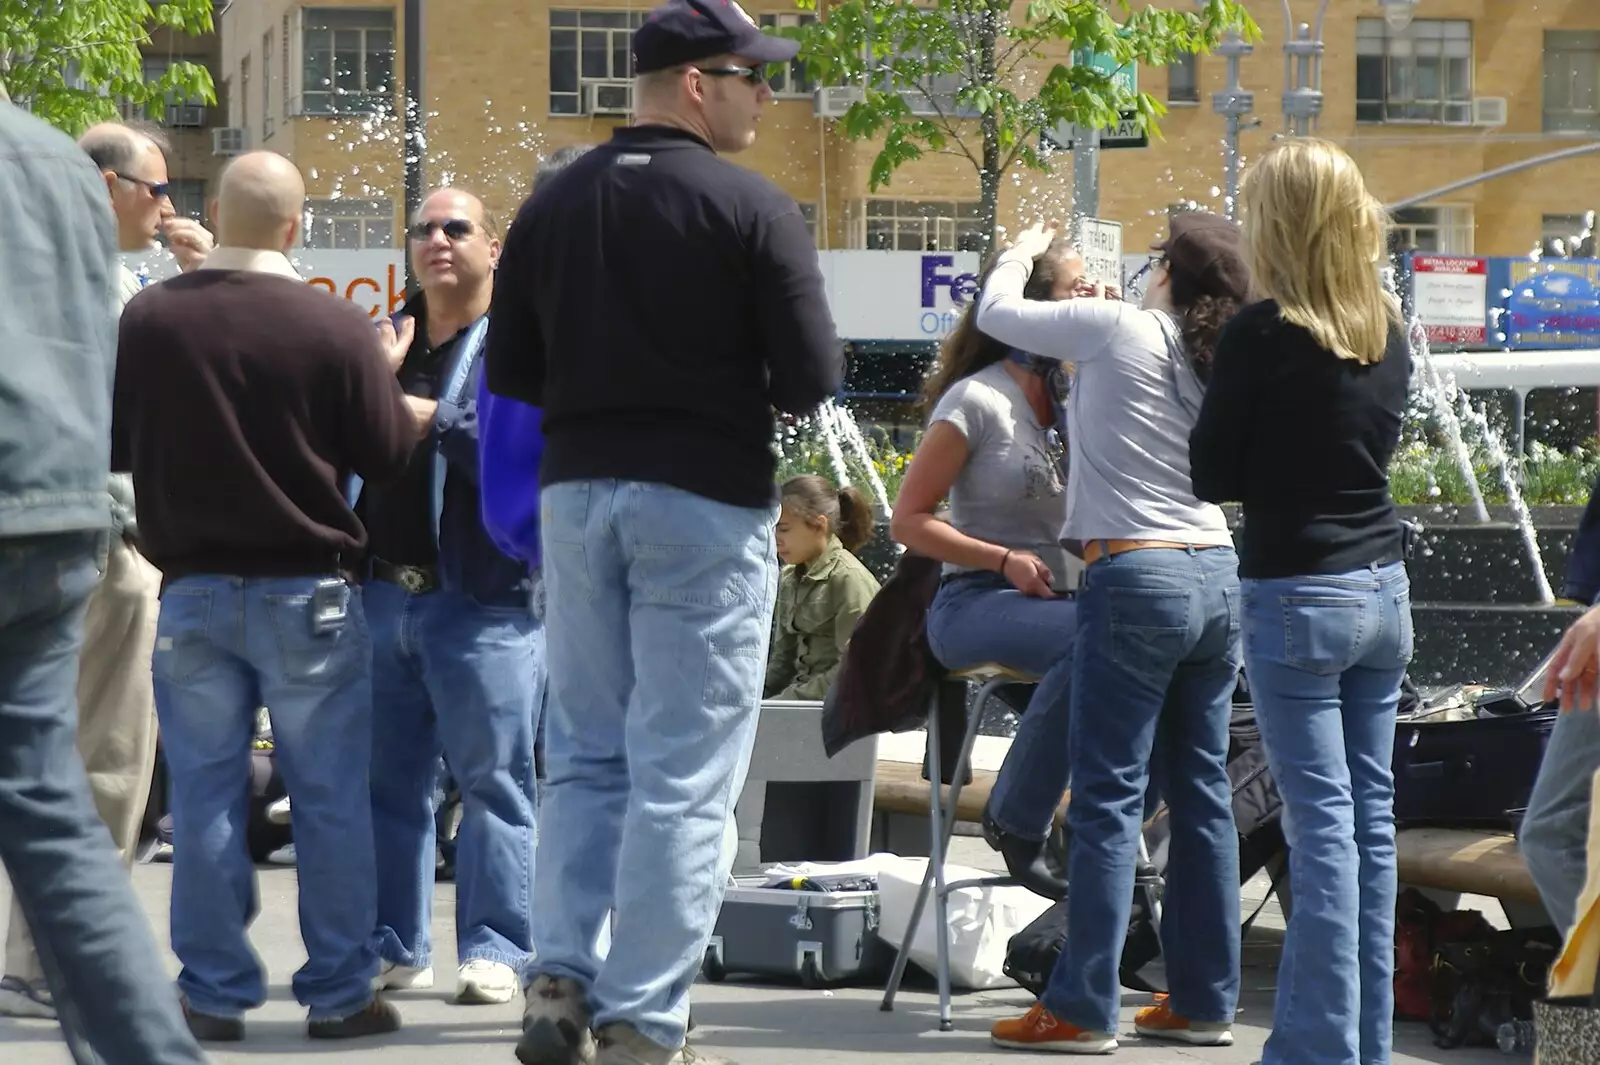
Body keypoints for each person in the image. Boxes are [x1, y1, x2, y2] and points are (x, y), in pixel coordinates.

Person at [484, 1, 843, 1060]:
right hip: (702, 497)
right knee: (685, 774)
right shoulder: (752, 206)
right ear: (698, 82)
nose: (768, 96)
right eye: (754, 77)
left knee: (585, 755)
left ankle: (557, 983)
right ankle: (644, 1016)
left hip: (578, 497)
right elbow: (815, 377)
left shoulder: (552, 203)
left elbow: (511, 373)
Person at [113, 150, 417, 1042]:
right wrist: (384, 374)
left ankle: (209, 993)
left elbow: (117, 442)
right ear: (295, 227)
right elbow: (391, 457)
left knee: (202, 798)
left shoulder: (150, 319)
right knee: (328, 797)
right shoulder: (333, 324)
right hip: (310, 593)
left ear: (217, 212)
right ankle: (340, 991)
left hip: (194, 591)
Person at [977, 212, 1249, 1053]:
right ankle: (1204, 1001)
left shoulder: (1116, 324)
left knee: (1107, 797)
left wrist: (1017, 251)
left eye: (1155, 259)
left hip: (1134, 578)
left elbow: (996, 312)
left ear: (1167, 273)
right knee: (1201, 795)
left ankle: (1082, 1008)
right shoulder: (1211, 354)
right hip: (1214, 574)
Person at [1189, 140, 1413, 1065]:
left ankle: (1315, 1051)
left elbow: (1213, 472)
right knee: (1370, 824)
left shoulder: (1263, 331)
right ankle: (1361, 1043)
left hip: (1297, 595)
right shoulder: (1385, 323)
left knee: (1322, 829)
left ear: (1277, 224)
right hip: (1384, 591)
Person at [0, 88, 211, 1065]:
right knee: (59, 799)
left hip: (88, 534)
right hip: (67, 523)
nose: (168, 207)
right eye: (157, 189)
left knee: (83, 778)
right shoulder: (51, 169)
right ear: (109, 183)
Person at [365, 186, 543, 1006]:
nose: (436, 239)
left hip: (485, 601)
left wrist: (435, 417)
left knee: (493, 784)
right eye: (423, 228)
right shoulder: (384, 339)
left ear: (494, 245)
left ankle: (497, 945)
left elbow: (533, 456)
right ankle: (396, 945)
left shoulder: (521, 346)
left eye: (456, 227)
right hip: (383, 596)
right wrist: (371, 387)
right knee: (388, 784)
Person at [891, 239, 1086, 894]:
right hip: (973, 601)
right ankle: (1015, 815)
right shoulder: (975, 401)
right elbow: (908, 519)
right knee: (1106, 638)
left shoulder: (1075, 400)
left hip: (1060, 604)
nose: (1086, 302)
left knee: (1159, 641)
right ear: (1028, 309)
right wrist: (1001, 559)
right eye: (1073, 290)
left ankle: (1099, 832)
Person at [763, 475, 881, 701]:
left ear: (819, 525)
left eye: (784, 529)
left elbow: (857, 671)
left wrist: (787, 702)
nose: (775, 538)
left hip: (840, 707)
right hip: (802, 704)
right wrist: (753, 699)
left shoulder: (849, 580)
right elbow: (783, 661)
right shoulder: (789, 578)